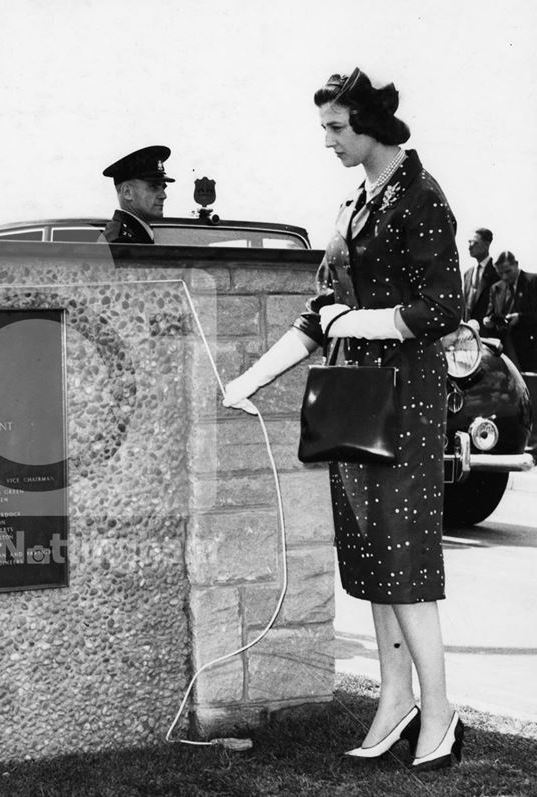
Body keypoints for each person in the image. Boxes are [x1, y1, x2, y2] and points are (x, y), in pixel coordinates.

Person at [223, 68, 465, 770]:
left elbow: (441, 308)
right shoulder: (354, 203)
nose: (327, 141)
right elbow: (315, 315)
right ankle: (395, 701)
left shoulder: (420, 196)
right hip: (358, 401)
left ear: (369, 124)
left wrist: (353, 319)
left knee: (408, 565)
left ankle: (441, 714)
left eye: (335, 128)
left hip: (406, 402)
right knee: (374, 562)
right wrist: (248, 381)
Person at [101, 145, 174, 243]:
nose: (163, 196)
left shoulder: (136, 235)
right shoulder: (122, 242)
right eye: (154, 187)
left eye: (163, 187)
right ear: (127, 192)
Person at [482, 251, 537, 371]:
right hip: (505, 349)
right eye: (500, 273)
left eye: (508, 271)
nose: (505, 277)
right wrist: (487, 321)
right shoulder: (496, 288)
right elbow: (490, 313)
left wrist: (521, 318)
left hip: (529, 349)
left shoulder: (533, 281)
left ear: (516, 264)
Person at [462, 228, 497, 326]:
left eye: (475, 243)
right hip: (469, 334)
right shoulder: (467, 274)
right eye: (469, 242)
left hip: (490, 335)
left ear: (486, 245)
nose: (470, 247)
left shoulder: (497, 272)